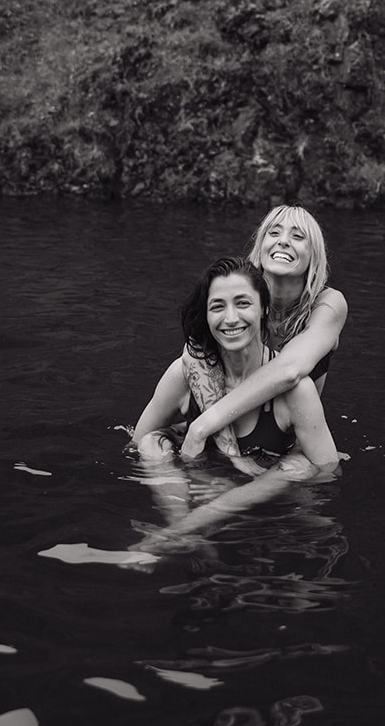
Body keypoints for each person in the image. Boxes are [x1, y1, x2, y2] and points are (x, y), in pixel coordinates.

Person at [130, 256, 340, 546]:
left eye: (243, 303)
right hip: (195, 487)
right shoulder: (184, 373)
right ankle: (186, 533)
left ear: (264, 308)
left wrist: (250, 489)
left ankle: (174, 537)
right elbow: (135, 444)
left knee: (299, 467)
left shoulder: (295, 391)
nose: (230, 319)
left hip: (267, 509)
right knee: (151, 445)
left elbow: (328, 470)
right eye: (218, 306)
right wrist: (197, 479)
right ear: (205, 315)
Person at [178, 204, 348, 464]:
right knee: (150, 443)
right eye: (274, 233)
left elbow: (290, 370)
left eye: (298, 236)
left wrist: (204, 425)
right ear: (260, 245)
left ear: (314, 254)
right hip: (230, 432)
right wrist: (223, 442)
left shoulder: (328, 303)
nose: (283, 241)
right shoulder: (241, 293)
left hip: (287, 442)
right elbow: (194, 350)